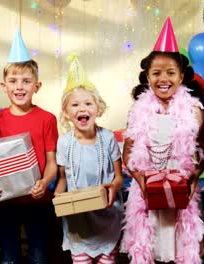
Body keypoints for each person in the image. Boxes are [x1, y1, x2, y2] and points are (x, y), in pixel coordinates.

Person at [121, 17, 204, 264]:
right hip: (146, 191)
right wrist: (142, 181)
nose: (164, 79)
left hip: (181, 191)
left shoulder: (193, 111)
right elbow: (128, 156)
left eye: (170, 73)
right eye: (156, 73)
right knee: (147, 249)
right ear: (147, 77)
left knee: (180, 248)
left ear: (181, 77)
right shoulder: (137, 111)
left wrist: (193, 178)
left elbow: (203, 154)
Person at [0, 30, 59, 264]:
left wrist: (45, 182)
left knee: (39, 255)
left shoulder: (47, 119)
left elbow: (52, 162)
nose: (19, 87)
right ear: (3, 85)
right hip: (5, 201)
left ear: (37, 86)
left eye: (26, 81)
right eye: (13, 81)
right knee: (9, 257)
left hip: (37, 200)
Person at [54, 54, 124, 264]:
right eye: (75, 105)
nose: (82, 108)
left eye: (88, 103)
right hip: (78, 220)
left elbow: (119, 177)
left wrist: (113, 187)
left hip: (107, 215)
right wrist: (58, 196)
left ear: (98, 108)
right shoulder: (64, 143)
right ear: (66, 112)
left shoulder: (108, 138)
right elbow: (62, 179)